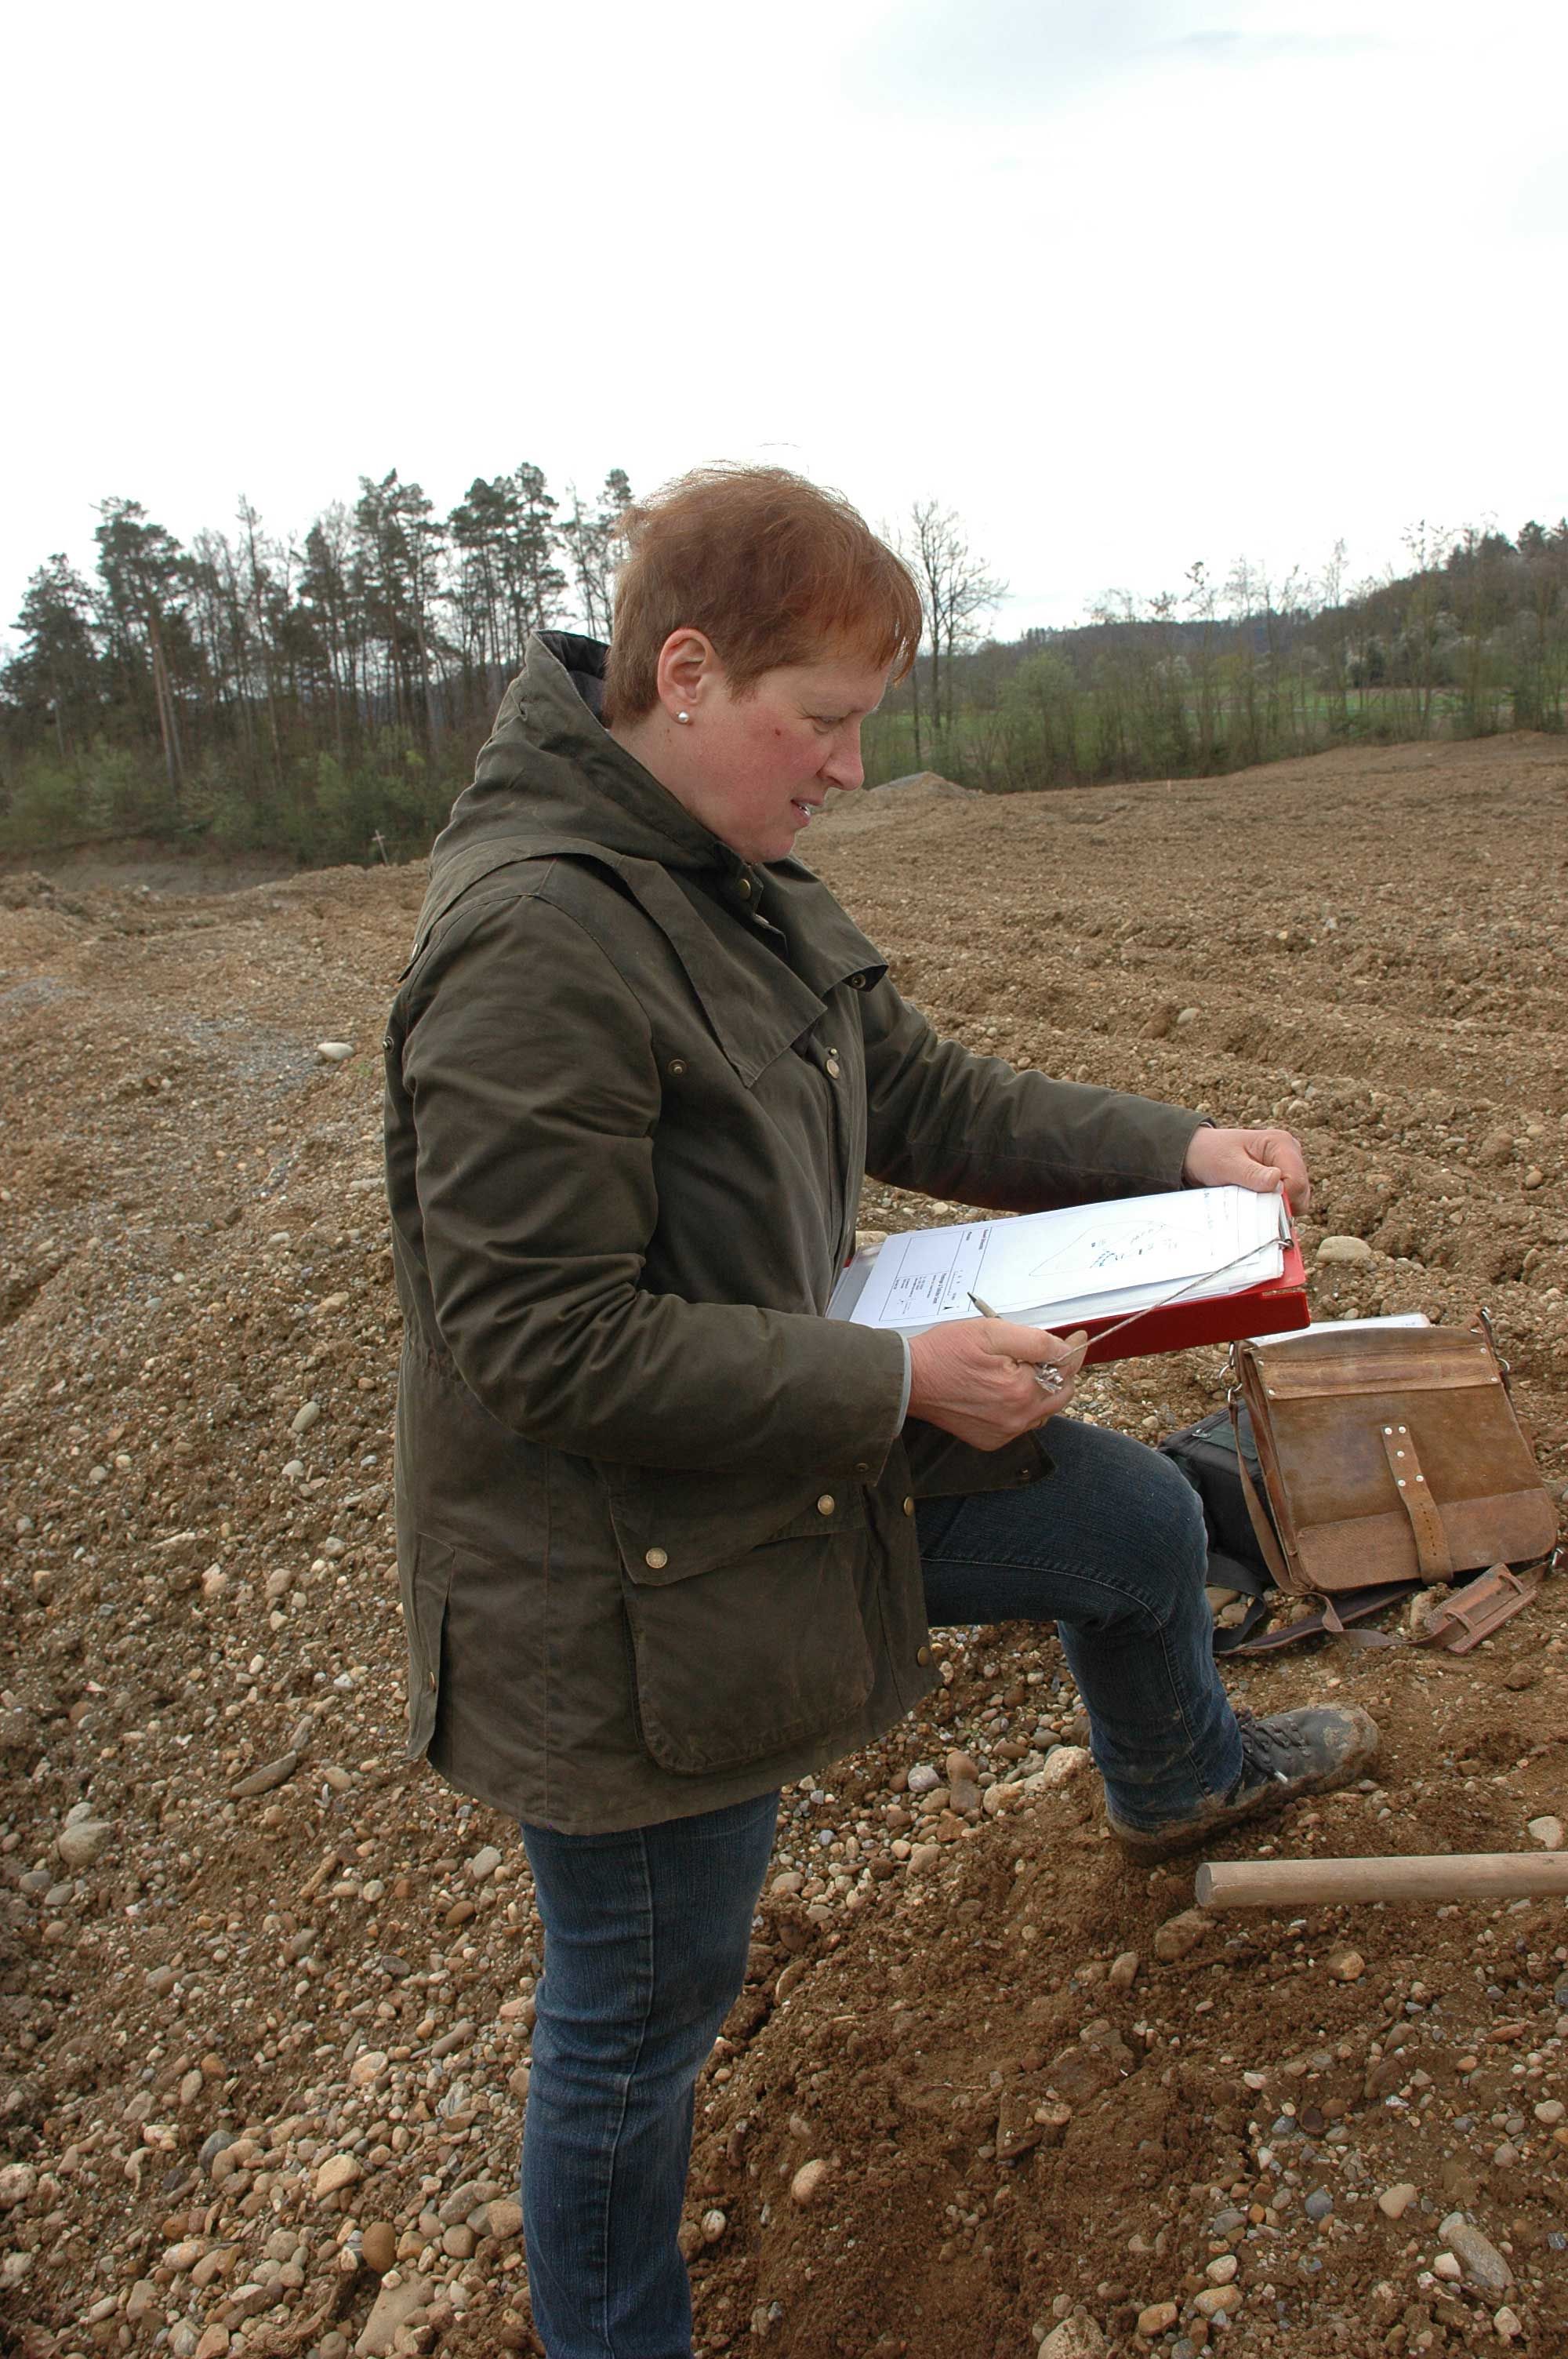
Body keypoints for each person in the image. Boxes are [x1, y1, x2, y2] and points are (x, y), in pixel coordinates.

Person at [383, 465, 1377, 2359]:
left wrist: (1173, 1147)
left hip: (799, 1453)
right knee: (641, 2009)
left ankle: (1181, 1784)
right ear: (687, 674)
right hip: (627, 1575)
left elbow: (924, 1090)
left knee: (1132, 1524)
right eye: (822, 725)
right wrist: (892, 1377)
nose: (844, 772)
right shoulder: (538, 941)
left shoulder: (725, 880)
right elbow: (538, 1342)